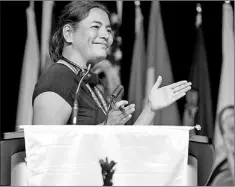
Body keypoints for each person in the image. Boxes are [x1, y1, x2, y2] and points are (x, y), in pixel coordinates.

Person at [32, 0, 191, 126]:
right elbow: (46, 151)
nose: (106, 36)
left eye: (108, 30)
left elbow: (118, 146)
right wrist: (106, 127)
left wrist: (150, 108)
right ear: (68, 33)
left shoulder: (88, 82)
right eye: (96, 27)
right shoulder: (58, 78)